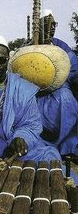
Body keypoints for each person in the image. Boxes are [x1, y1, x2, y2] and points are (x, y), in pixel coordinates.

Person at [36, 10, 78, 155]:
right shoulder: (29, 45)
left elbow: (74, 69)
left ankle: (65, 144)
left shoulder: (61, 46)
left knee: (66, 99)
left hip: (60, 90)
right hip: (35, 93)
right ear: (39, 26)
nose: (52, 27)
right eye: (48, 24)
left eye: (54, 24)